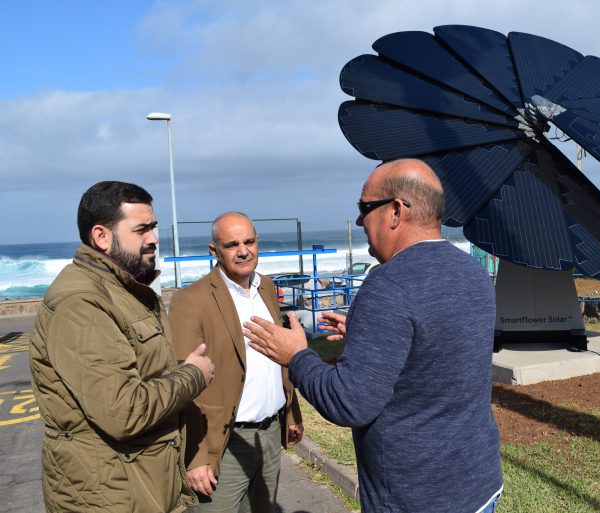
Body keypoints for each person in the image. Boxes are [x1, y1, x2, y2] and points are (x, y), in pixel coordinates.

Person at [243, 159, 503, 513]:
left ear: (396, 211)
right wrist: (369, 334)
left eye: (365, 208)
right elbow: (441, 348)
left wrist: (297, 355)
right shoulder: (472, 273)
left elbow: (349, 403)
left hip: (417, 496)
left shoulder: (388, 284)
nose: (359, 221)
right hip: (479, 482)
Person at [29, 180, 215, 513]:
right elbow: (123, 412)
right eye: (142, 229)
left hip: (141, 486)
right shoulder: (82, 303)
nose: (154, 239)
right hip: (111, 497)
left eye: (154, 227)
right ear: (101, 237)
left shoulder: (125, 289)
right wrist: (192, 376)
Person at [169, 211, 303, 512]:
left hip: (268, 436)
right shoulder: (190, 300)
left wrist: (291, 414)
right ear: (214, 251)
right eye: (232, 245)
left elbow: (278, 359)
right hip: (223, 443)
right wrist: (197, 455)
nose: (243, 251)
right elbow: (183, 384)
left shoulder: (266, 287)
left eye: (249, 241)